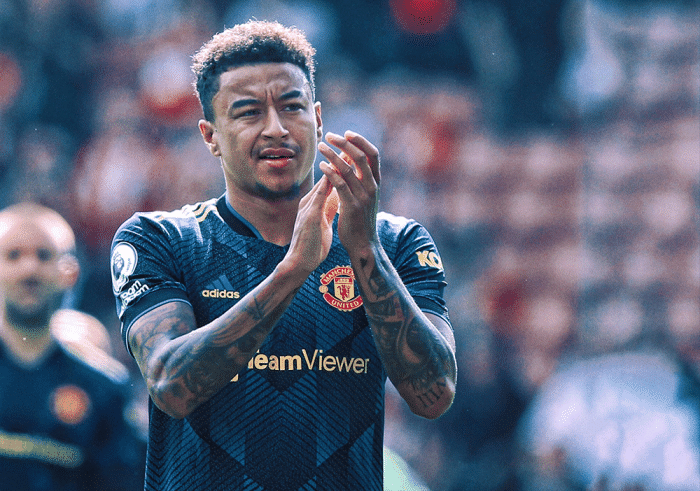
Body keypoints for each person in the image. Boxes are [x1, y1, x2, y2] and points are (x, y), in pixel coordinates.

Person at [110, 20, 457, 490]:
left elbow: (434, 395)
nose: (276, 128)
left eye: (292, 107)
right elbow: (171, 387)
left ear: (318, 118)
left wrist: (365, 250)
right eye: (248, 112)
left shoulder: (396, 243)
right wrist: (293, 270)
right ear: (210, 135)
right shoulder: (161, 239)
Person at [0, 202, 146, 491]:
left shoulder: (105, 389)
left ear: (71, 273)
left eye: (44, 255)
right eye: (13, 255)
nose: (29, 268)